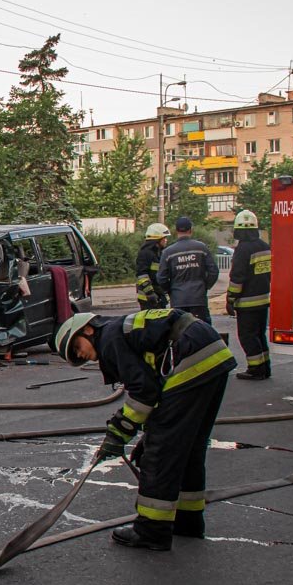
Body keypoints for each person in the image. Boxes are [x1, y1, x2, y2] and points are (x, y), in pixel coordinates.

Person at [53, 308, 237, 551]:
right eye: (76, 355)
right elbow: (156, 391)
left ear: (87, 329)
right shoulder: (119, 331)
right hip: (213, 356)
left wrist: (118, 434)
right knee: (188, 449)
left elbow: (144, 392)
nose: (81, 355)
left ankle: (152, 531)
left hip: (192, 359)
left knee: (160, 455)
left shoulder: (109, 339)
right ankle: (188, 521)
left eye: (77, 347)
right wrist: (148, 435)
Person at [227, 210, 272, 380]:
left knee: (247, 336)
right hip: (263, 299)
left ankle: (256, 369)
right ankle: (265, 367)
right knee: (259, 335)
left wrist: (231, 299)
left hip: (247, 302)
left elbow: (237, 277)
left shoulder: (242, 249)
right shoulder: (265, 246)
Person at [157, 216, 218, 323]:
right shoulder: (201, 248)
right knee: (202, 329)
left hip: (178, 300)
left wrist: (171, 291)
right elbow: (213, 271)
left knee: (180, 330)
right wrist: (205, 286)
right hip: (198, 299)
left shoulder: (168, 252)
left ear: (176, 231)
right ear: (191, 230)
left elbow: (161, 278)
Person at [135, 223, 170, 310]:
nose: (166, 240)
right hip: (148, 298)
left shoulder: (159, 253)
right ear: (157, 239)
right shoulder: (145, 253)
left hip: (159, 295)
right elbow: (142, 275)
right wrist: (150, 293)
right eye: (164, 238)